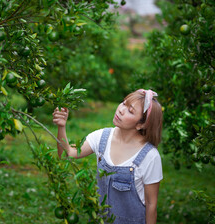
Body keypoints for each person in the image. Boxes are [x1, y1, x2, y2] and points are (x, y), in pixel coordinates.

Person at [52, 89, 163, 224]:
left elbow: (151, 205)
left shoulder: (150, 157)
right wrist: (61, 126)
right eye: (123, 103)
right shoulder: (102, 138)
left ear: (141, 124)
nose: (121, 110)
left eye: (130, 110)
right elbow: (66, 154)